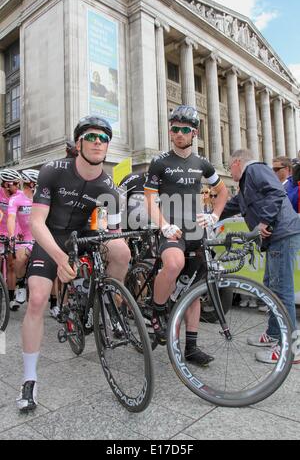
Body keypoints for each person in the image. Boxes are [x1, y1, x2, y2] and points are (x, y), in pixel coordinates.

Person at [17, 115, 131, 412]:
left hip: (84, 238)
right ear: (78, 143)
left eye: (104, 138)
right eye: (91, 137)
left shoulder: (108, 184)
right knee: (38, 298)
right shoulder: (53, 171)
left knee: (122, 251)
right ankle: (29, 378)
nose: (97, 142)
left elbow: (114, 231)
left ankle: (110, 305)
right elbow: (36, 222)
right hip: (50, 238)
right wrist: (59, 257)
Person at [144, 105, 228, 365]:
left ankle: (191, 347)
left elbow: (223, 192)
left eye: (184, 130)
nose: (178, 133)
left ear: (194, 133)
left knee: (195, 289)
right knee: (174, 264)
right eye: (174, 129)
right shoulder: (160, 162)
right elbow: (149, 199)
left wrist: (214, 215)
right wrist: (163, 224)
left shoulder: (202, 163)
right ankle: (157, 310)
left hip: (196, 230)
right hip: (172, 228)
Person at [221, 149, 300, 364]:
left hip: (282, 233)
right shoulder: (246, 184)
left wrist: (264, 222)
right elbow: (230, 206)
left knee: (282, 291)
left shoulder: (255, 169)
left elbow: (276, 192)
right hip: (278, 236)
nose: (230, 171)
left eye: (229, 167)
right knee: (272, 287)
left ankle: (290, 349)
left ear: (237, 162)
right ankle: (274, 334)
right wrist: (208, 217)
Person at [7, 169, 39, 309]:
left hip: (40, 237)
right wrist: (11, 235)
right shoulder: (16, 198)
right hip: (23, 238)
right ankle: (20, 285)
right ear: (30, 183)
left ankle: (54, 304)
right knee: (18, 261)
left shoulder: (41, 197)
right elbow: (11, 218)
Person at [0, 169, 22, 310]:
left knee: (11, 266)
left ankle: (11, 298)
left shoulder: (19, 195)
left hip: (14, 233)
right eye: (15, 183)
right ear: (7, 184)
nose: (18, 186)